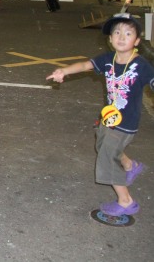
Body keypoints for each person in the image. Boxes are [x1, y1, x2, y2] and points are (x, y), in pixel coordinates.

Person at [46, 13, 153, 217]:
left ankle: (126, 201)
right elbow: (85, 65)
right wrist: (64, 71)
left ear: (137, 40)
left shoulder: (141, 66)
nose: (122, 37)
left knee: (107, 156)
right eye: (117, 32)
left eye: (128, 33)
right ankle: (130, 165)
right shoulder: (107, 59)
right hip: (109, 117)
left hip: (126, 122)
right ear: (110, 39)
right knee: (101, 144)